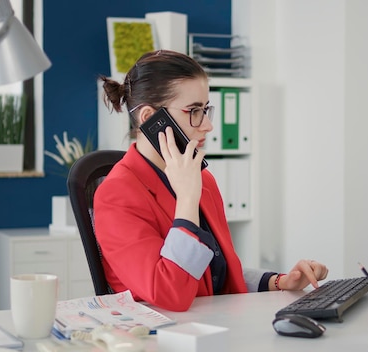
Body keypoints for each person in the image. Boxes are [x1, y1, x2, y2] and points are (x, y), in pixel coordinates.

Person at [95, 50, 328, 312]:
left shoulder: (202, 179)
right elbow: (169, 292)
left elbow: (213, 275)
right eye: (194, 110)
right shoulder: (116, 195)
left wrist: (280, 281)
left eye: (206, 110)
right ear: (150, 119)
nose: (207, 125)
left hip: (214, 323)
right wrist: (186, 201)